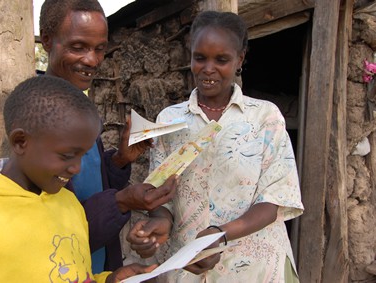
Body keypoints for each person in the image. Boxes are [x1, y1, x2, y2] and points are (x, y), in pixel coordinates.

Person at [126, 11, 304, 282]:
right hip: (188, 267)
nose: (208, 68)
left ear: (240, 59)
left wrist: (220, 233)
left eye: (221, 60)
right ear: (191, 57)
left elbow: (274, 201)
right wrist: (160, 221)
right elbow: (162, 196)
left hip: (256, 267)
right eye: (200, 58)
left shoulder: (265, 118)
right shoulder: (170, 121)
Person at [0, 75, 158, 283]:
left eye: (83, 154)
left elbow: (71, 275)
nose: (76, 168)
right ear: (20, 142)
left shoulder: (67, 203)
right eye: (67, 156)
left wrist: (111, 280)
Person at [39, 0, 178, 273]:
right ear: (47, 41)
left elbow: (88, 179)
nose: (92, 60)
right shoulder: (38, 116)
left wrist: (118, 161)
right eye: (78, 47)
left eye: (100, 49)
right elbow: (54, 225)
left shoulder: (78, 105)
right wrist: (122, 200)